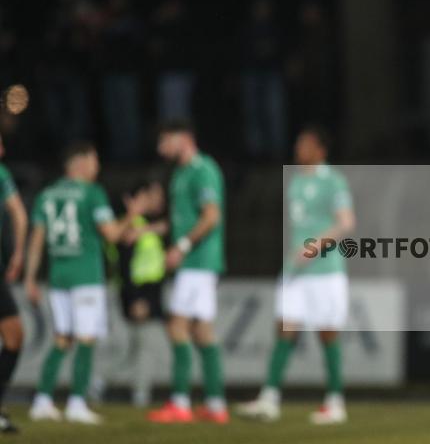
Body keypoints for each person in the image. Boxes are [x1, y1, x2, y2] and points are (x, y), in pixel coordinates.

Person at [237, 126, 354, 424]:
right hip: (295, 270)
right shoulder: (296, 182)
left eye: (305, 145)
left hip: (324, 270)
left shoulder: (333, 181)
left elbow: (345, 223)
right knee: (284, 328)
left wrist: (315, 247)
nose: (298, 149)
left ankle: (335, 401)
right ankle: (270, 398)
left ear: (320, 150)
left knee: (327, 333)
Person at [25, 141, 141, 424]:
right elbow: (111, 234)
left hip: (58, 276)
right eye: (94, 160)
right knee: (86, 339)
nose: (97, 167)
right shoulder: (92, 193)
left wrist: (29, 278)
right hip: (86, 276)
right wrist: (132, 215)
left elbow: (37, 239)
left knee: (62, 338)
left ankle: (42, 400)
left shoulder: (47, 195)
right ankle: (77, 403)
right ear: (80, 162)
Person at [147, 120, 227, 424]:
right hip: (197, 262)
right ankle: (216, 404)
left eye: (165, 140)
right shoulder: (180, 174)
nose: (161, 148)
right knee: (202, 330)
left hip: (198, 262)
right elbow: (183, 221)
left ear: (184, 138)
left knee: (177, 326)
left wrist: (180, 247)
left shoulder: (202, 169)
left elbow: (211, 217)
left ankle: (180, 402)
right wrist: (148, 231)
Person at [113, 180, 167, 406]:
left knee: (135, 350)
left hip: (151, 293)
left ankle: (98, 382)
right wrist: (135, 297)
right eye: (154, 195)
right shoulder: (128, 226)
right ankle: (140, 395)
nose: (160, 200)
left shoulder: (144, 225)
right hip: (137, 293)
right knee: (146, 347)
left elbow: (167, 227)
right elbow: (124, 264)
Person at [0, 133, 28, 433]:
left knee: (14, 337)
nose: (3, 149)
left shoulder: (2, 172)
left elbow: (18, 214)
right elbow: (19, 214)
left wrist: (17, 254)